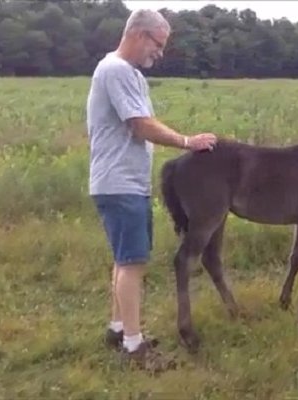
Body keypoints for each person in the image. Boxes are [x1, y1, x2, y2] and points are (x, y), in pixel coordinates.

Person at [85, 9, 217, 371]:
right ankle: (133, 345)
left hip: (125, 182)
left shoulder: (127, 74)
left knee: (124, 259)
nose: (159, 53)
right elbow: (140, 125)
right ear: (140, 35)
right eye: (158, 45)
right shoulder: (116, 70)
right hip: (119, 182)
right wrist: (187, 141)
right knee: (133, 263)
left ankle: (117, 328)